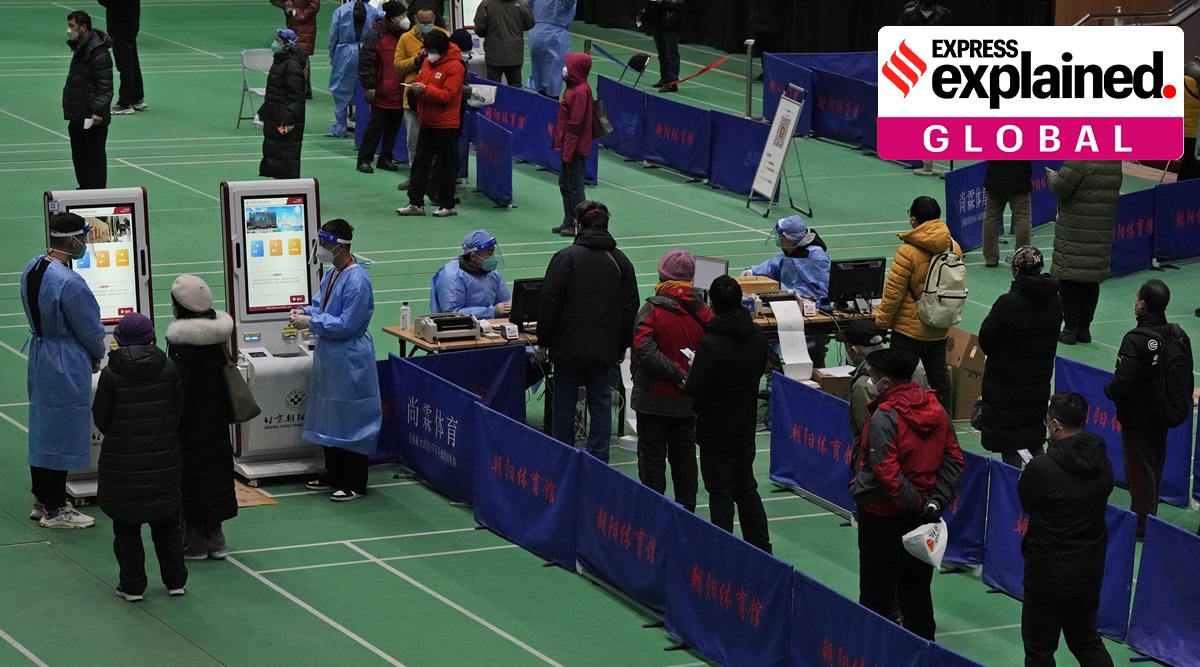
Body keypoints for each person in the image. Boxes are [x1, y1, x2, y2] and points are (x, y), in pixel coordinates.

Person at [851, 348, 962, 641]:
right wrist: (934, 501)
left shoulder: (884, 417)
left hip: (881, 517)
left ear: (886, 383)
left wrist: (920, 502)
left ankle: (873, 651)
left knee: (876, 594)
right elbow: (954, 458)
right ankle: (924, 652)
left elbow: (885, 470)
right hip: (921, 519)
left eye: (873, 377)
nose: (871, 382)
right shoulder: (936, 408)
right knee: (917, 592)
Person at [93, 313, 188, 601]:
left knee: (126, 526)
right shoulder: (169, 367)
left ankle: (132, 586)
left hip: (123, 464)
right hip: (163, 460)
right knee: (167, 523)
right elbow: (178, 411)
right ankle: (175, 581)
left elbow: (101, 418)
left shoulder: (111, 373)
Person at [22, 213, 107, 529]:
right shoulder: (70, 282)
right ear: (72, 240)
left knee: (43, 425)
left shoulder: (34, 266)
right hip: (65, 358)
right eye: (84, 237)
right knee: (61, 429)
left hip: (41, 352)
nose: (85, 243)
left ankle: (42, 498)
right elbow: (89, 327)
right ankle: (56, 508)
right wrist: (97, 355)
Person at [537, 201, 640, 462]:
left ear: (579, 225)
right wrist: (621, 346)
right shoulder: (622, 262)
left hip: (567, 348)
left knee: (563, 402)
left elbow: (550, 303)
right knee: (601, 402)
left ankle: (563, 456)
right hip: (604, 348)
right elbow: (631, 308)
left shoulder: (565, 258)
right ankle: (599, 459)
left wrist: (543, 342)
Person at [1018, 391, 1115, 667]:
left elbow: (1027, 502)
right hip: (1087, 571)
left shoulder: (1041, 468)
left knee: (1039, 650)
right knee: (1086, 640)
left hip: (1046, 574)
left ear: (1056, 425)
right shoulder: (1102, 464)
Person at [290, 220, 382, 502]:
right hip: (330, 357)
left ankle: (354, 481)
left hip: (349, 357)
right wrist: (304, 310)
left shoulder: (357, 281)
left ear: (340, 246)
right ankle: (334, 473)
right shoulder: (333, 272)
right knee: (330, 416)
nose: (320, 249)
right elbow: (321, 305)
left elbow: (346, 325)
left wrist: (310, 321)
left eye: (325, 244)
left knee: (350, 420)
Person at [686, 275, 771, 552]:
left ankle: (721, 549)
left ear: (713, 303)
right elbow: (760, 369)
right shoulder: (757, 334)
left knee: (720, 491)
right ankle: (760, 547)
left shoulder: (711, 345)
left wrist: (692, 368)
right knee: (745, 487)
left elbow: (696, 388)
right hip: (744, 424)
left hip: (716, 428)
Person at [1104, 279, 1193, 538]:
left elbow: (1124, 380)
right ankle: (1149, 514)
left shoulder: (1135, 339)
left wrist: (1109, 391)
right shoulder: (1179, 334)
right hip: (1164, 414)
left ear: (1142, 304)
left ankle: (1142, 525)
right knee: (1154, 465)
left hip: (1138, 417)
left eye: (1136, 299)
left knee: (1139, 471)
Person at [631, 250, 713, 512]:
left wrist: (675, 374)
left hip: (652, 401)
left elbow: (642, 346)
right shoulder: (706, 312)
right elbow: (713, 350)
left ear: (662, 276)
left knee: (652, 460)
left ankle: (654, 514)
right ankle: (687, 513)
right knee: (685, 458)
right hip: (687, 402)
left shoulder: (651, 310)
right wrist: (687, 378)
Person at [165, 275, 237, 561]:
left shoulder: (183, 342)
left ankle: (193, 542)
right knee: (216, 475)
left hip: (191, 425)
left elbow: (180, 388)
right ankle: (216, 539)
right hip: (217, 420)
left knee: (192, 479)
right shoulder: (218, 334)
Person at [978, 246, 1063, 468]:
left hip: (1007, 384)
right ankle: (1043, 483)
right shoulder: (1055, 301)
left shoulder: (1009, 303)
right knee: (1034, 438)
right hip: (1038, 381)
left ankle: (1016, 492)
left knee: (1010, 444)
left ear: (1016, 270)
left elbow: (986, 338)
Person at [876, 196, 962, 411]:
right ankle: (944, 424)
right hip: (939, 324)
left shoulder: (907, 252)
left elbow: (893, 293)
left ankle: (900, 423)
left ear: (914, 220)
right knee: (940, 380)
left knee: (898, 381)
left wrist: (881, 323)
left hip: (908, 331)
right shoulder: (954, 247)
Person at [1047, 160, 1122, 345]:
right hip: (1100, 228)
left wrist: (1052, 176)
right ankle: (1084, 329)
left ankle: (1070, 329)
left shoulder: (1080, 157)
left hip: (1075, 228)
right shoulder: (1115, 159)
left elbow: (1061, 187)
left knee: (1069, 279)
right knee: (1091, 280)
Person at [395, 30, 465, 218]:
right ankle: (415, 203)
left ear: (442, 49)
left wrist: (426, 90)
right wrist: (415, 88)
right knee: (420, 164)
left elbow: (447, 96)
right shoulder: (427, 62)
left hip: (446, 124)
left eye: (432, 50)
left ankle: (447, 204)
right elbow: (419, 79)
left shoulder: (455, 67)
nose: (429, 53)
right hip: (426, 121)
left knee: (445, 167)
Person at [392, 4, 450, 190]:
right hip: (413, 98)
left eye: (429, 22)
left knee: (435, 143)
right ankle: (414, 177)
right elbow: (398, 64)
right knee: (413, 141)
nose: (426, 25)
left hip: (435, 98)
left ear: (435, 20)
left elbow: (451, 62)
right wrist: (416, 60)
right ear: (415, 20)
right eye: (422, 22)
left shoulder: (443, 36)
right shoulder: (406, 38)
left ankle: (434, 180)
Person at [356, 1, 409, 173]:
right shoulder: (376, 35)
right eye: (401, 16)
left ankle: (385, 158)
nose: (404, 19)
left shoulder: (406, 36)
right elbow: (366, 62)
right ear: (392, 18)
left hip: (400, 91)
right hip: (381, 91)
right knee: (375, 128)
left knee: (393, 129)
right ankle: (364, 159)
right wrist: (370, 85)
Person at [63, 10, 113, 190]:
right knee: (80, 157)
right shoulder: (80, 47)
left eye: (72, 26)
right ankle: (84, 190)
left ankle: (97, 194)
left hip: (92, 117)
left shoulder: (99, 53)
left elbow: (105, 86)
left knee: (95, 159)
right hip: (78, 114)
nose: (69, 30)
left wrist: (98, 111)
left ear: (83, 27)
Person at [550, 52, 594, 236]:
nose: (565, 68)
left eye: (568, 65)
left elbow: (575, 124)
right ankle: (568, 220)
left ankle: (578, 225)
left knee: (576, 187)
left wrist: (568, 149)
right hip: (568, 145)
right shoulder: (571, 88)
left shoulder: (580, 92)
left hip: (575, 147)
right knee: (564, 184)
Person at [328, 0, 384, 137]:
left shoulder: (341, 10)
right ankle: (363, 126)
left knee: (340, 88)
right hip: (366, 50)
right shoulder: (373, 11)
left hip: (345, 52)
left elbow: (333, 34)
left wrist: (332, 54)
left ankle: (340, 128)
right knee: (365, 88)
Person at [744, 215, 830, 301]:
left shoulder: (816, 258)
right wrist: (753, 271)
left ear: (787, 240)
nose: (778, 238)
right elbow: (774, 266)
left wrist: (794, 293)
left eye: (779, 236)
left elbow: (823, 289)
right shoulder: (790, 251)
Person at [258, 29, 308, 180]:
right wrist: (263, 112)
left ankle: (288, 192)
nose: (275, 44)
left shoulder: (291, 65)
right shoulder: (279, 61)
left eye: (278, 41)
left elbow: (296, 97)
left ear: (287, 45)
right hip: (275, 117)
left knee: (286, 156)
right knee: (276, 155)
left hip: (286, 122)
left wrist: (287, 122)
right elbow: (275, 93)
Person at [430, 230, 512, 318]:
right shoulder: (452, 276)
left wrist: (511, 305)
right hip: (459, 328)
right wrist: (491, 311)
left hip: (490, 327)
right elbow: (452, 313)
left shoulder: (491, 272)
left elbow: (505, 301)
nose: (493, 257)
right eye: (489, 252)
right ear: (473, 256)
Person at [982, 161, 1033, 268]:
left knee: (991, 218)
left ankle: (990, 257)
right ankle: (1022, 258)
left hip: (994, 180)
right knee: (1022, 218)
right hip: (1019, 180)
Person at [98, 0, 145, 114]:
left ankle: (125, 103)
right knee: (133, 61)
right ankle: (137, 97)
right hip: (131, 25)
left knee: (125, 65)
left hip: (120, 26)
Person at [474, 0, 534, 86]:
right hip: (514, 54)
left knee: (493, 89)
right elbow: (529, 24)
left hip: (494, 55)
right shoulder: (522, 4)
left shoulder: (486, 4)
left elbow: (479, 30)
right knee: (515, 89)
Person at [526, 0, 576, 98]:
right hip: (555, 37)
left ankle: (540, 105)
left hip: (536, 33)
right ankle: (551, 106)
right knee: (553, 79)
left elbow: (528, 4)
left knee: (538, 75)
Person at [271, 0, 320, 98]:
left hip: (305, 26)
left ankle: (302, 89)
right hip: (293, 24)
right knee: (296, 54)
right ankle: (303, 89)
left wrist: (301, 17)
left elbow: (314, 6)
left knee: (302, 55)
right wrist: (287, 6)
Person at [642, 0, 685, 93]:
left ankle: (672, 82)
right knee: (662, 53)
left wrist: (662, 2)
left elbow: (681, 5)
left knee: (671, 54)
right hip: (657, 23)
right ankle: (664, 79)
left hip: (671, 24)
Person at [1181, 58, 1200, 182]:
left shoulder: (1186, 77)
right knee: (1194, 167)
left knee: (1186, 165)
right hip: (1196, 133)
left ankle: (1179, 190)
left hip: (1185, 129)